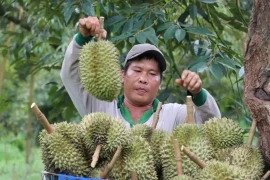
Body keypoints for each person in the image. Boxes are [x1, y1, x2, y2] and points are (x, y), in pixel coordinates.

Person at [60, 16, 221, 133]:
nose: (143, 79)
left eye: (152, 74)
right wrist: (82, 38)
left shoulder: (173, 115)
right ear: (122, 75)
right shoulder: (100, 107)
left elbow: (212, 125)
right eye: (137, 71)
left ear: (160, 84)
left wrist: (197, 94)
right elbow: (70, 75)